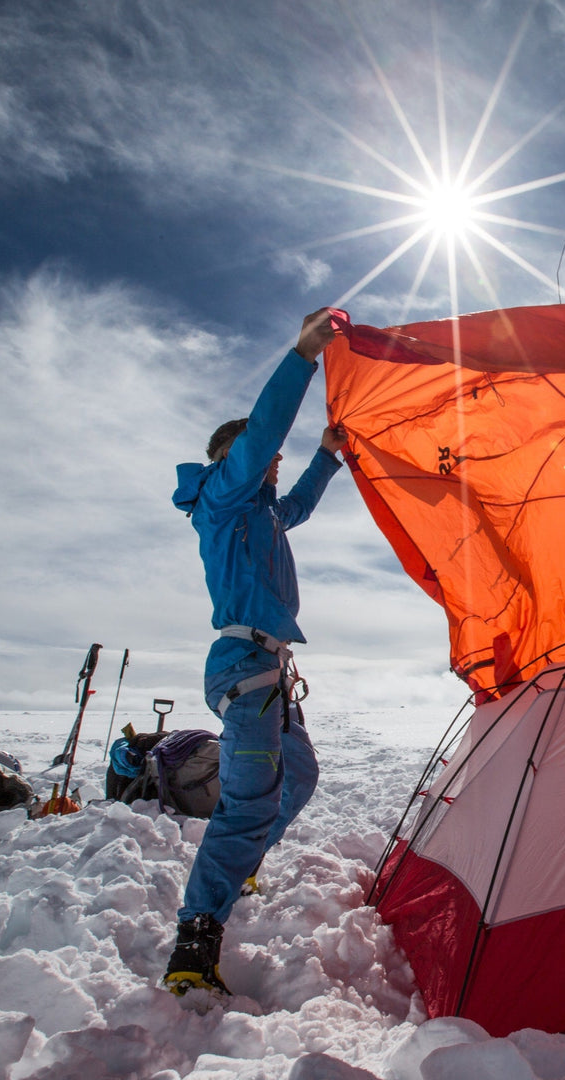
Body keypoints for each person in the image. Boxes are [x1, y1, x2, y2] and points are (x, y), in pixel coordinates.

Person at [163, 308, 346, 995]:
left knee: (296, 778)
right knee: (244, 807)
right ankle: (195, 941)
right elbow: (263, 432)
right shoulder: (224, 498)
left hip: (266, 670)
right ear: (230, 461)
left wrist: (326, 456)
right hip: (245, 671)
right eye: (260, 455)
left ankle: (238, 868)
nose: (273, 459)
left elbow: (296, 504)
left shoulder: (263, 512)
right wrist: (302, 354)